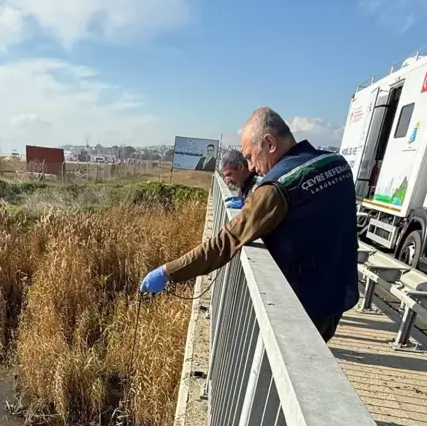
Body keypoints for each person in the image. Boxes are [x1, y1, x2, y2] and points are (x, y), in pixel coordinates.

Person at [140, 108, 358, 342]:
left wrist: (168, 272)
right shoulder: (336, 163)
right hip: (339, 288)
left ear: (269, 143)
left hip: (304, 303)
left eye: (251, 156)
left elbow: (226, 242)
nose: (252, 167)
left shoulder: (277, 187)